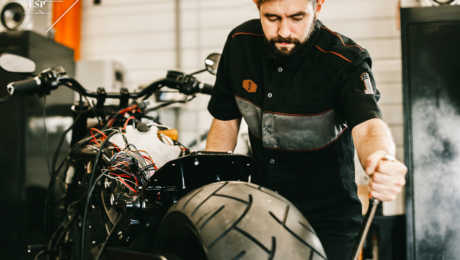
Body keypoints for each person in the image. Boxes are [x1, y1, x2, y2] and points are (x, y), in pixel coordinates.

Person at [205, 0, 408, 259]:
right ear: (257, 5)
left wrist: (380, 158)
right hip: (259, 212)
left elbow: (368, 125)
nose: (284, 32)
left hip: (329, 222)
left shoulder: (345, 61)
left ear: (318, 6)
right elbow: (225, 122)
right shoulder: (239, 43)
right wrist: (212, 193)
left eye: (297, 17)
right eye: (272, 18)